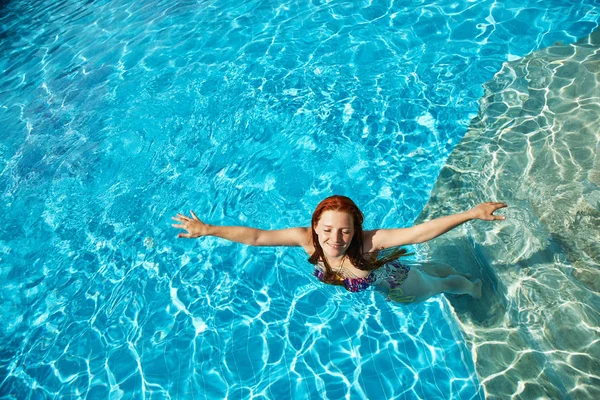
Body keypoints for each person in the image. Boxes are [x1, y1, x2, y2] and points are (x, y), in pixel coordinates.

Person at [171, 195, 507, 303]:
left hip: (397, 283)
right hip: (380, 282)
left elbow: (419, 234)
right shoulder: (305, 239)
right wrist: (208, 229)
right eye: (328, 229)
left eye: (345, 230)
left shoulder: (368, 243)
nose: (336, 238)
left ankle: (474, 287)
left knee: (438, 287)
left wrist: (472, 213)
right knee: (434, 274)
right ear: (315, 226)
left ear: (355, 230)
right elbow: (257, 237)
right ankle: (448, 273)